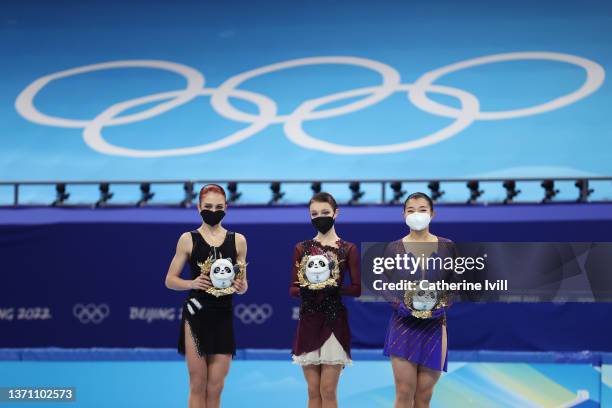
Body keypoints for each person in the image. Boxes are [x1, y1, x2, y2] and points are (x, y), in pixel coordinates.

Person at [165, 184, 248, 408]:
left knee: (216, 386)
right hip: (196, 315)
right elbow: (170, 280)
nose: (213, 210)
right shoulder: (188, 239)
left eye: (218, 206)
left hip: (223, 315)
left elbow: (244, 284)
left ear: (226, 208)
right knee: (198, 384)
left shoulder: (238, 240)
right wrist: (191, 282)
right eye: (208, 206)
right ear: (199, 207)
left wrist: (240, 286)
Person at [382, 192, 456, 408]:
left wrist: (443, 305)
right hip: (403, 326)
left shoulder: (447, 247)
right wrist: (398, 305)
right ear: (403, 214)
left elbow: (456, 283)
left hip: (434, 327)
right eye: (411, 210)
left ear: (432, 213)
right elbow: (384, 284)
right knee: (404, 393)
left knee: (424, 397)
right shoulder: (394, 248)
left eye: (422, 209)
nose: (417, 214)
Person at [289, 192, 361, 408]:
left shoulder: (348, 248)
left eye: (325, 212)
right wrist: (308, 288)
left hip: (333, 322)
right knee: (313, 392)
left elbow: (357, 289)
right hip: (309, 321)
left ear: (336, 213)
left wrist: (334, 289)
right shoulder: (301, 248)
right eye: (314, 213)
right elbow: (292, 288)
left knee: (327, 390)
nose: (319, 217)